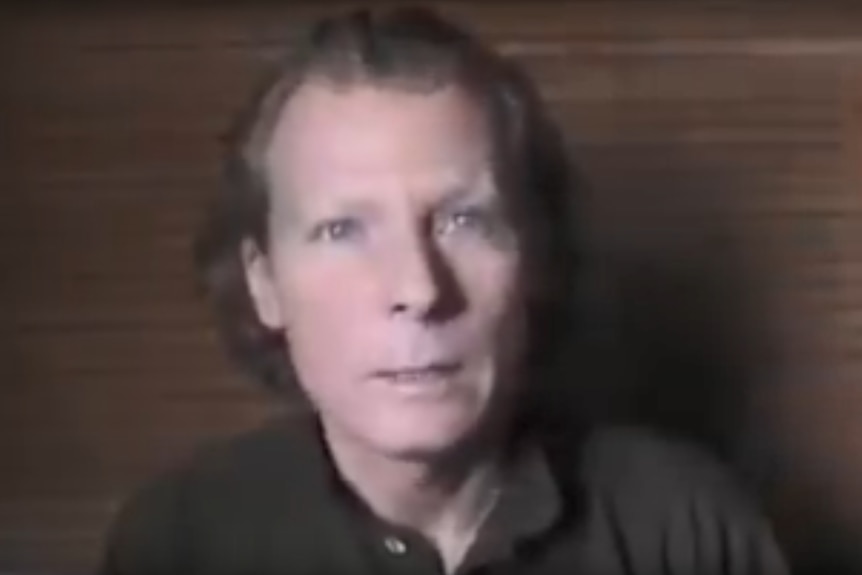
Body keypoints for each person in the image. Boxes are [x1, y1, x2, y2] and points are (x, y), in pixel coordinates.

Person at [100, 7, 789, 575]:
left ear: (535, 259)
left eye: (465, 220)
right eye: (342, 229)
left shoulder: (684, 525)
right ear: (265, 284)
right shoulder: (178, 539)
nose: (419, 288)